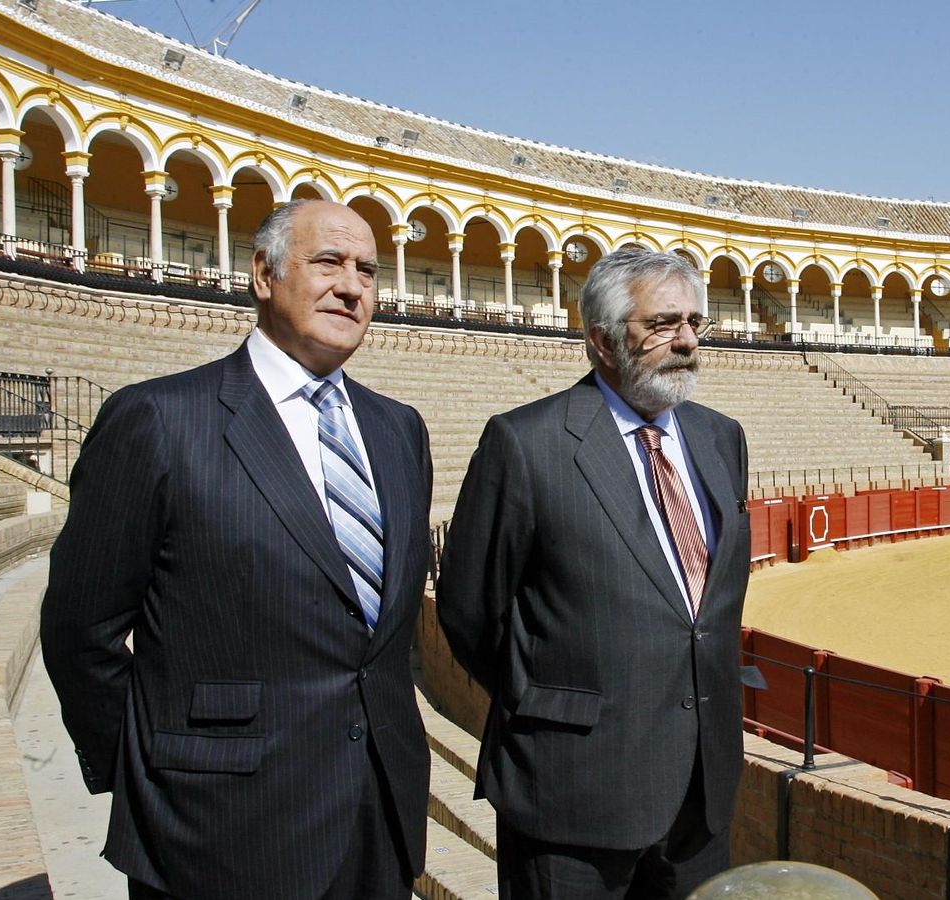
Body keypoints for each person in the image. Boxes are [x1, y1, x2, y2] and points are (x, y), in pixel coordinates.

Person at [41, 199, 434, 900]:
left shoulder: (399, 429)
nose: (352, 285)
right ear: (263, 273)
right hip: (212, 831)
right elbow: (81, 630)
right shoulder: (160, 420)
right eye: (328, 262)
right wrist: (147, 776)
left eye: (368, 270)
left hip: (378, 814)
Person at [439, 246, 752, 899]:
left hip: (700, 788)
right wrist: (557, 704)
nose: (688, 340)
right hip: (572, 789)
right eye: (663, 324)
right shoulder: (527, 443)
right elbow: (470, 611)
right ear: (603, 340)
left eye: (695, 322)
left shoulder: (722, 438)